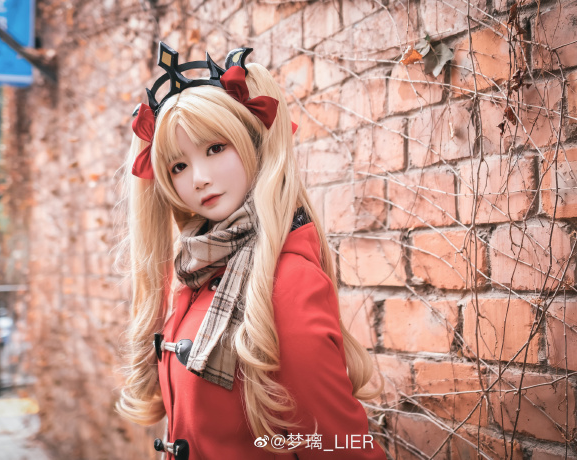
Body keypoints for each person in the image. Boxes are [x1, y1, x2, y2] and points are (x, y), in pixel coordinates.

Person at [114, 42, 386, 460]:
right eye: (178, 166)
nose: (199, 178)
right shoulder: (198, 268)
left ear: (253, 144)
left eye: (215, 148)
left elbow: (339, 448)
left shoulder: (286, 283)